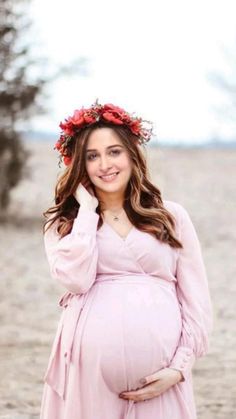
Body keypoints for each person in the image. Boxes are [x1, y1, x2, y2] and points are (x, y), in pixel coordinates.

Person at [40, 100, 213, 419]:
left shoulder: (171, 217)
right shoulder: (64, 223)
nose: (105, 164)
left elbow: (196, 303)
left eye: (114, 151)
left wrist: (179, 368)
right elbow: (76, 279)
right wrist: (88, 213)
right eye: (92, 156)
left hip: (162, 378)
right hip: (87, 378)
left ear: (132, 155)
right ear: (79, 165)